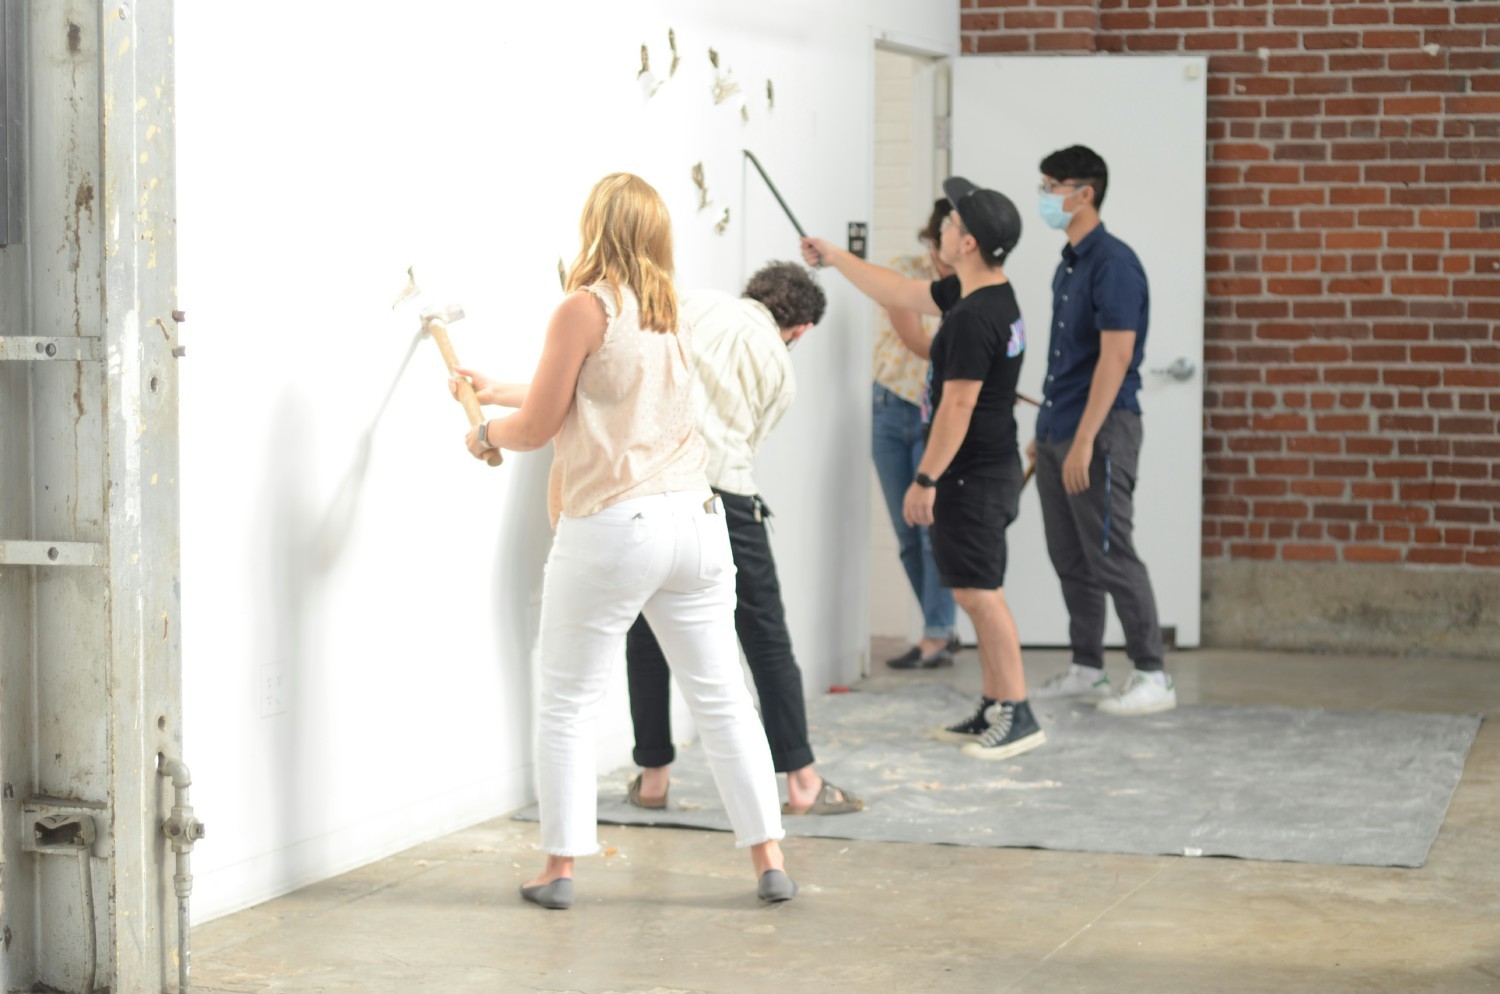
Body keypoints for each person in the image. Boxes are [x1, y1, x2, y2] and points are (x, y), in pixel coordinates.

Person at [452, 173, 796, 909]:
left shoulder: (584, 307)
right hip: (697, 526)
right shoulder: (669, 308)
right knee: (723, 699)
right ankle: (769, 857)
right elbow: (592, 394)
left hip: (618, 525)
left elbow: (542, 425)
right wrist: (497, 389)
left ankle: (559, 870)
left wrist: (485, 431)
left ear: (594, 226)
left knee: (570, 700)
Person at [801, 177, 1045, 761]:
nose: (943, 226)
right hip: (986, 468)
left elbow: (957, 406)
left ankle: (1019, 713)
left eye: (953, 223)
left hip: (971, 475)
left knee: (982, 594)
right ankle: (995, 703)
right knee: (969, 589)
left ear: (968, 244)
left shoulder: (969, 318)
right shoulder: (984, 294)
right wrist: (835, 258)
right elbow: (899, 291)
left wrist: (926, 478)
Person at [626, 262, 864, 818]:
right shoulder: (782, 367)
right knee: (765, 638)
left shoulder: (697, 304)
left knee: (649, 630)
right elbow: (745, 445)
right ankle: (802, 782)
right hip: (724, 501)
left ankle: (653, 777)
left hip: (655, 489)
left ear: (752, 293)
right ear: (801, 328)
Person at [1026, 145, 1176, 716]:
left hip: (1103, 430)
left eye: (1051, 185)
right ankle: (1087, 667)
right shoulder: (1070, 261)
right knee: (1072, 556)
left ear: (1084, 192)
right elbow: (1068, 361)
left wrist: (1085, 439)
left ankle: (1152, 674)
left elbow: (1115, 359)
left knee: (1112, 552)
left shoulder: (1114, 263)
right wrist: (1047, 432)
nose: (1044, 196)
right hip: (1059, 427)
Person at [873, 200, 962, 670]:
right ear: (933, 240)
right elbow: (914, 340)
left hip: (938, 412)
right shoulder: (905, 271)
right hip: (890, 406)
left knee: (933, 532)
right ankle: (940, 628)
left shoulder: (973, 281)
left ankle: (935, 635)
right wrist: (966, 355)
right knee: (907, 534)